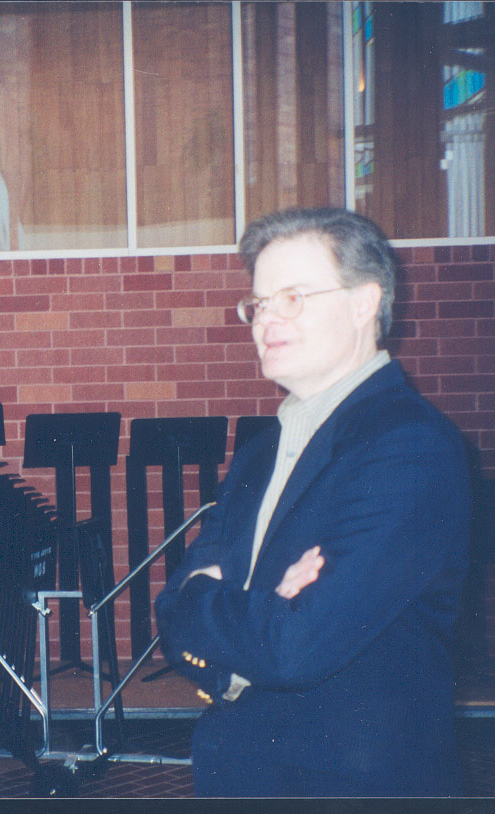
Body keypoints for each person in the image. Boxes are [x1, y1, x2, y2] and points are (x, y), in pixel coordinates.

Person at [155, 207, 470, 797]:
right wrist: (246, 605)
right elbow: (168, 616)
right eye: (259, 303)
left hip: (344, 786)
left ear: (363, 304)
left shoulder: (408, 446)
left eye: (293, 298)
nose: (266, 319)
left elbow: (293, 646)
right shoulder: (260, 451)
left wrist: (205, 592)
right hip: (240, 772)